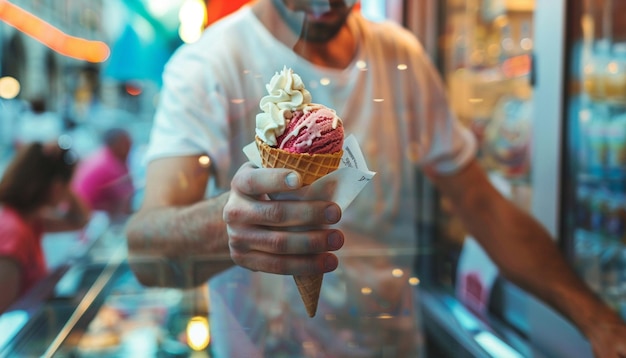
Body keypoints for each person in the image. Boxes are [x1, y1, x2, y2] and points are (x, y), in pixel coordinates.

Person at [125, 0, 626, 357]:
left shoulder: (399, 56)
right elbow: (147, 249)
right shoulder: (209, 65)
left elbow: (483, 206)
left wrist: (597, 320)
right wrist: (226, 222)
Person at [0, 141, 91, 313]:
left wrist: (59, 170)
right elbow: (4, 310)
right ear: (56, 188)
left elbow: (80, 220)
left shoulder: (31, 220)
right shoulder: (13, 231)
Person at [71, 128, 134, 221]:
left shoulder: (102, 155)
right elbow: (126, 202)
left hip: (80, 212)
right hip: (84, 217)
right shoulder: (110, 166)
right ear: (118, 144)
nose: (131, 146)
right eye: (127, 143)